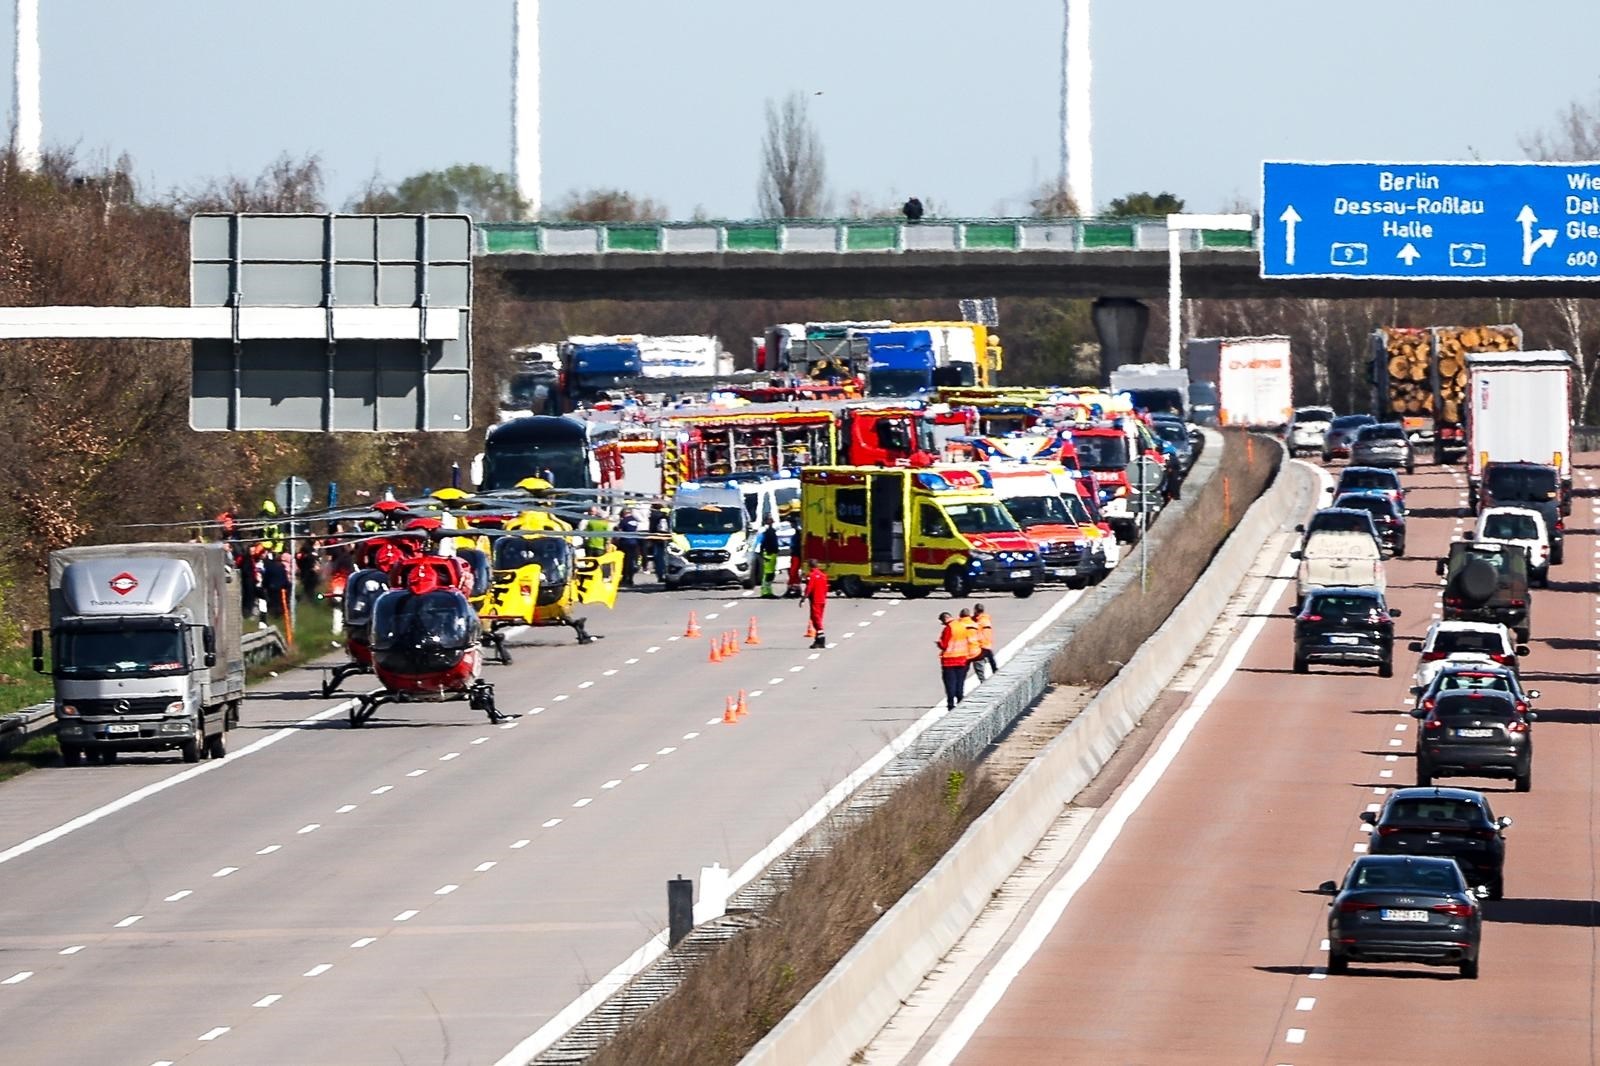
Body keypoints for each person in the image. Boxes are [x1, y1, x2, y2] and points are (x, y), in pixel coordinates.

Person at [936, 611, 970, 711]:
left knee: (950, 684)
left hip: (949, 661)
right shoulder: (961, 626)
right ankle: (960, 701)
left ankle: (951, 704)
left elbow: (944, 645)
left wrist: (939, 644)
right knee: (960, 682)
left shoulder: (948, 628)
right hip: (962, 659)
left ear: (945, 619)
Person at [801, 560, 828, 649]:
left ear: (809, 566)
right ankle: (817, 639)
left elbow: (809, 588)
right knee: (819, 618)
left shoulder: (811, 576)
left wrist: (804, 598)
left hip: (815, 600)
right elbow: (826, 588)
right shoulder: (823, 575)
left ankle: (821, 639)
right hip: (822, 600)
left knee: (815, 619)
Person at [261, 549, 292, 618]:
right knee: (280, 601)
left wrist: (264, 586)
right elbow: (284, 577)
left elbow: (266, 578)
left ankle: (275, 614)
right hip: (281, 586)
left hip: (272, 587)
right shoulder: (281, 566)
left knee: (274, 602)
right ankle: (280, 613)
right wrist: (286, 585)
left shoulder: (269, 567)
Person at [970, 602, 998, 679]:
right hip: (987, 645)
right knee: (992, 662)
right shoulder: (986, 619)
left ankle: (983, 681)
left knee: (978, 665)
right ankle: (996, 673)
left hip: (981, 646)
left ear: (975, 610)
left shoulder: (979, 621)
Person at [616, 508, 641, 587]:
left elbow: (619, 532)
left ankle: (625, 579)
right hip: (634, 542)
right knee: (631, 561)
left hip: (625, 543)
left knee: (625, 562)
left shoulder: (624, 521)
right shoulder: (635, 520)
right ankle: (630, 578)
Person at [757, 517, 781, 598]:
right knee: (768, 574)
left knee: (770, 574)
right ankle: (765, 592)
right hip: (768, 554)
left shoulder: (771, 531)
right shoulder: (765, 531)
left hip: (772, 553)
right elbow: (762, 543)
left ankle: (768, 591)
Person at [649, 503, 670, 579]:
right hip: (667, 538)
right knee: (665, 556)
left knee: (658, 557)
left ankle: (660, 574)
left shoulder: (654, 516)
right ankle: (664, 572)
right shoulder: (669, 517)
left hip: (657, 539)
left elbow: (652, 528)